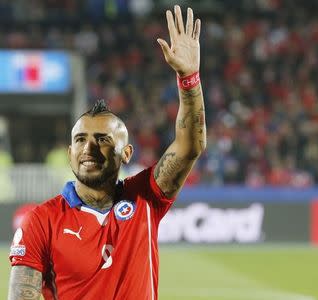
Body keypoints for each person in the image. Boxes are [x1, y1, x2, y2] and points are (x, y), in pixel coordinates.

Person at [8, 5, 206, 300]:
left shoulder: (145, 198)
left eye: (102, 139)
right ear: (69, 151)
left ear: (126, 153)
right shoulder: (41, 221)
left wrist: (189, 78)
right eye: (80, 139)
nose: (88, 147)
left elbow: (190, 146)